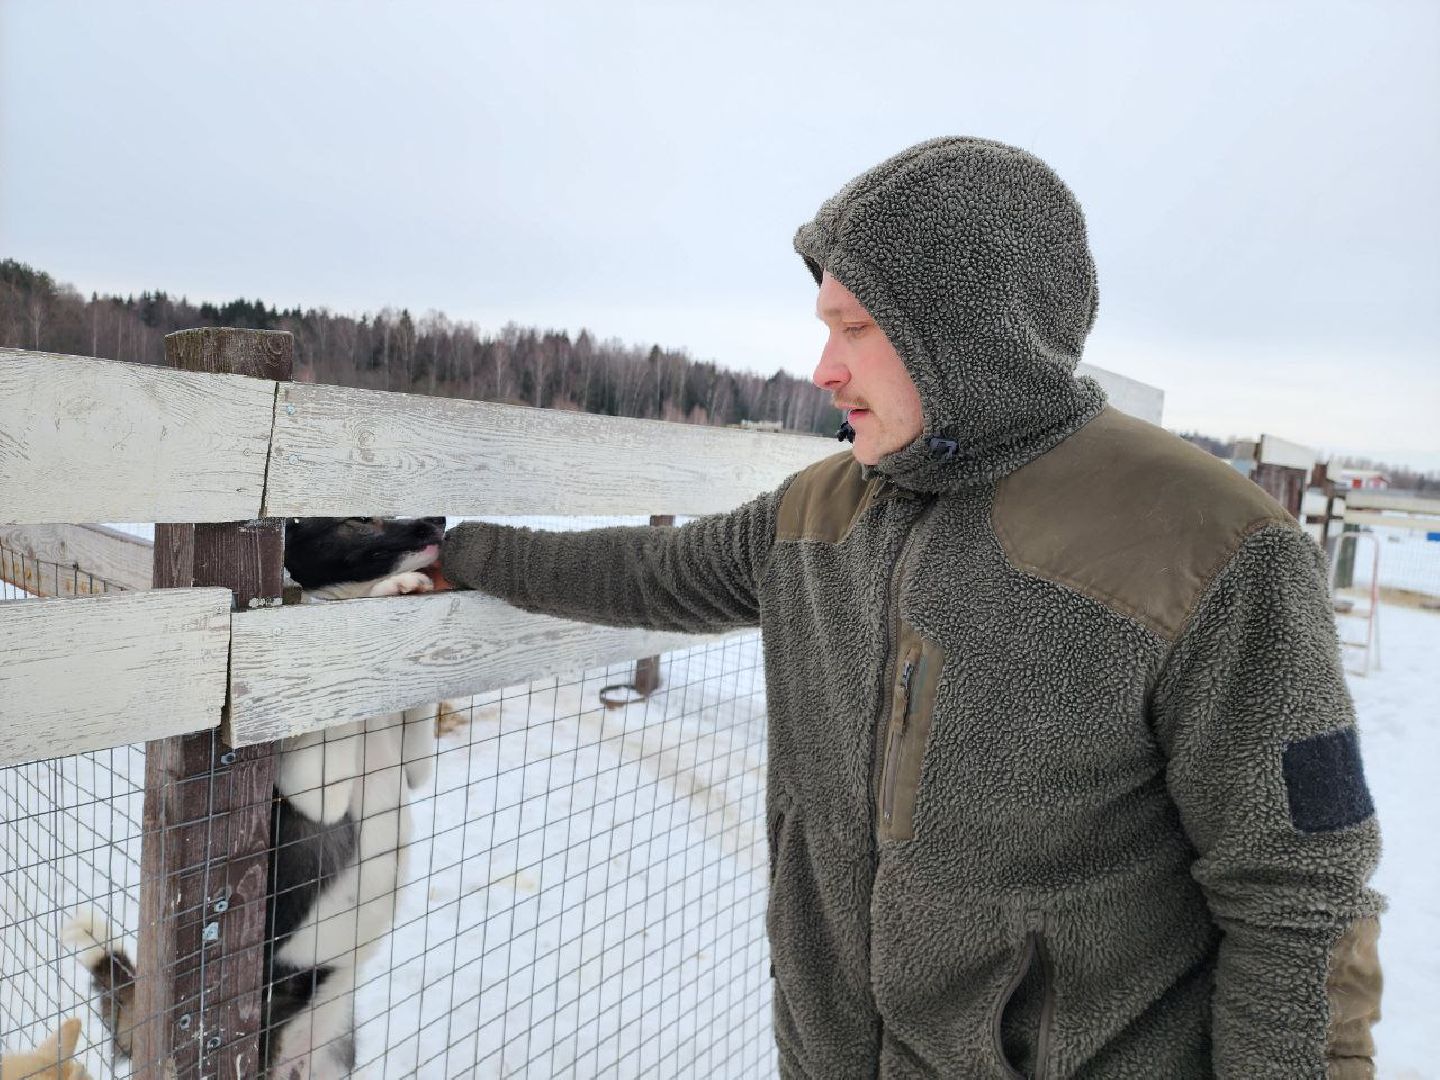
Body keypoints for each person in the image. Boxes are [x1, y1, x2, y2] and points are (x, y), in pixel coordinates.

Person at [439, 137, 1383, 1079]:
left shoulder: (1210, 545)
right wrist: (457, 550)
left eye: (854, 329)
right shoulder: (822, 511)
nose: (823, 369)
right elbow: (655, 572)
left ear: (966, 336)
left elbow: (1302, 890)